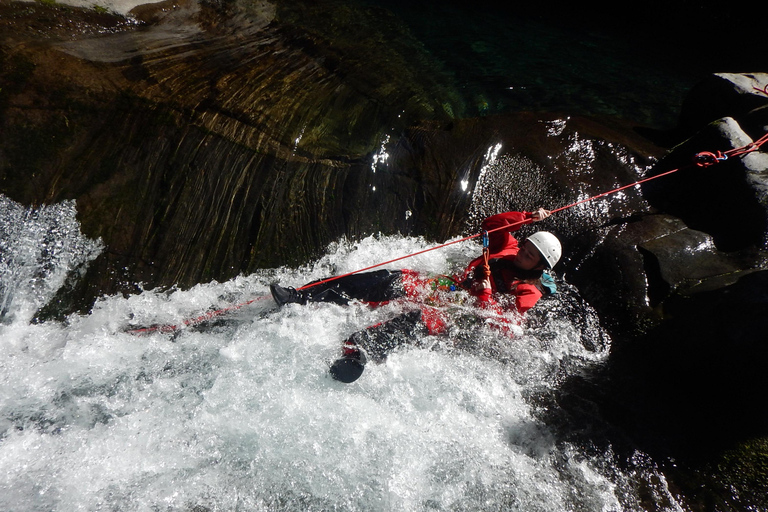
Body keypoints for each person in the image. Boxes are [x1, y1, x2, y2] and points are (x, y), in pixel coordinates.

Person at [270, 209, 561, 383]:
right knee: (387, 280)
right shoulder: (508, 248)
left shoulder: (528, 291)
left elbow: (505, 328)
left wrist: (485, 294)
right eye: (525, 247)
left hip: (462, 314)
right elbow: (490, 226)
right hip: (450, 289)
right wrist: (525, 217)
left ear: (539, 266)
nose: (523, 254)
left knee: (418, 319)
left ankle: (357, 353)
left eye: (530, 256)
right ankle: (302, 295)